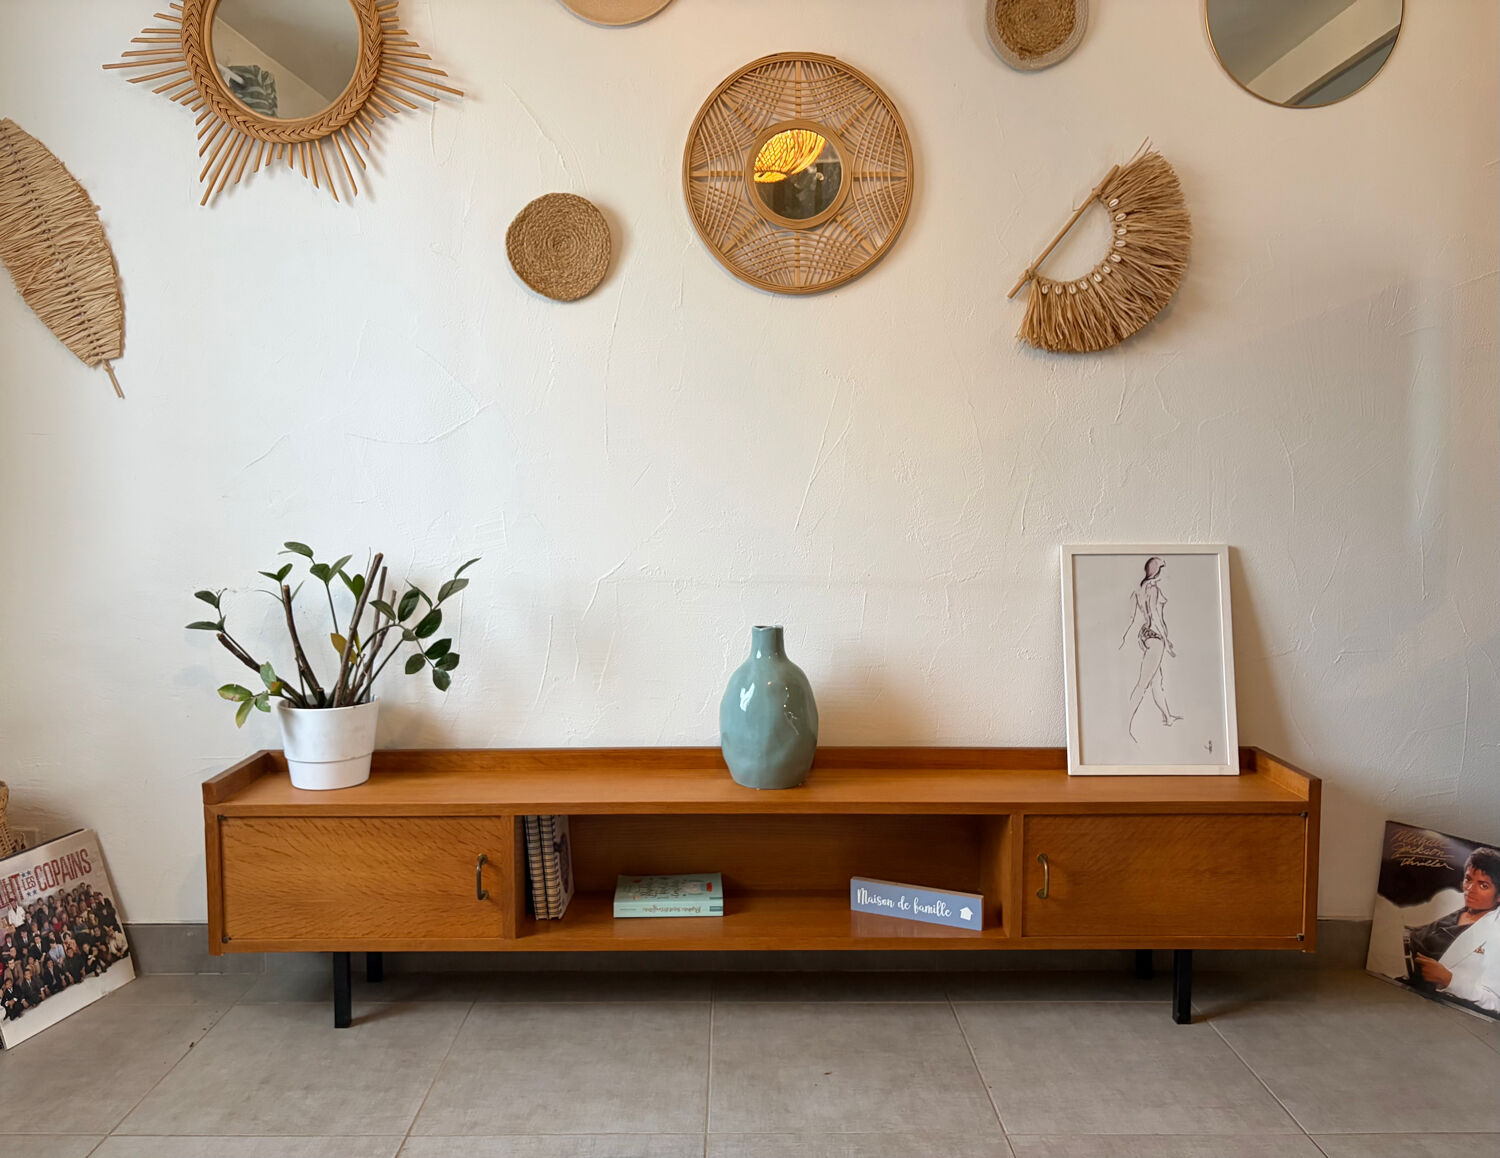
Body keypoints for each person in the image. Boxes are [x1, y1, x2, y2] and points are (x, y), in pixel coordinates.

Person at [1410, 847, 1500, 1014]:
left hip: (1447, 1010)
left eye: (1483, 885)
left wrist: (1449, 980)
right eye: (1468, 879)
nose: (1470, 889)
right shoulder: (1452, 901)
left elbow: (1496, 1003)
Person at [1119, 556, 1183, 740]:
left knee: (1156, 682)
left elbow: (1131, 619)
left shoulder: (1137, 591)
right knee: (1143, 684)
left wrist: (1124, 638)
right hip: (1155, 638)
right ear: (1157, 571)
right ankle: (1125, 725)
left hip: (1144, 636)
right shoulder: (1153, 589)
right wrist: (1166, 639)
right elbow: (1156, 615)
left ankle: (1168, 717)